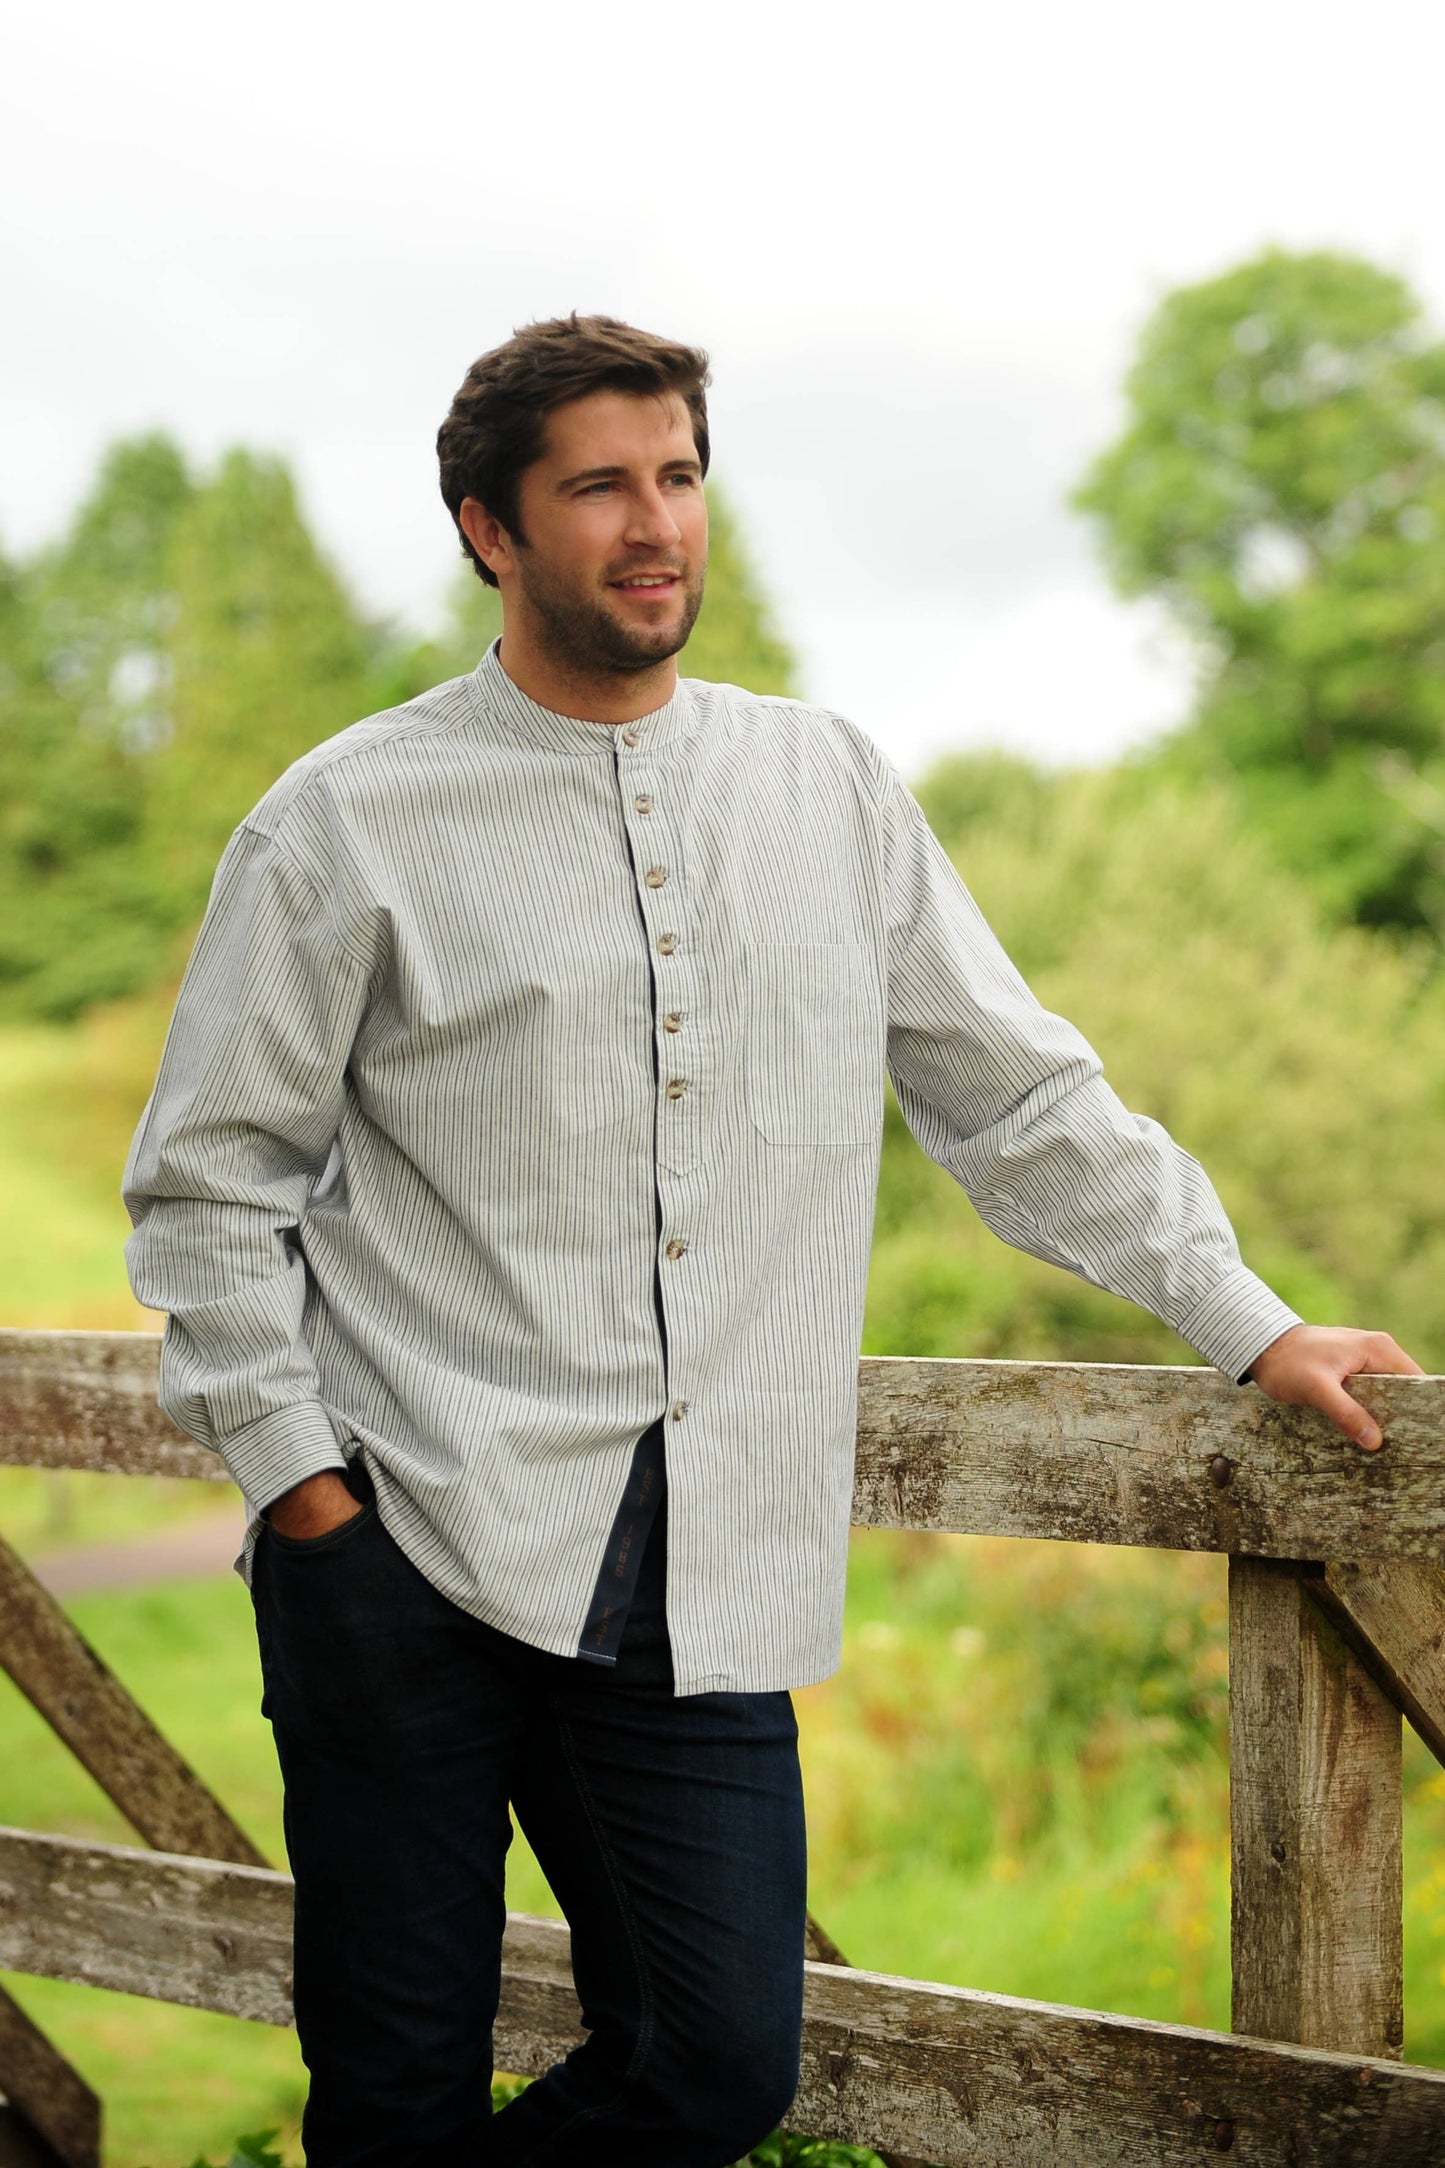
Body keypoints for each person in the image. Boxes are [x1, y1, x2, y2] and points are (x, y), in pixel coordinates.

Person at [122, 314, 1422, 2168]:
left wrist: (1246, 1319)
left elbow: (1018, 1103)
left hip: (709, 1568)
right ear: (490, 529)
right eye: (598, 488)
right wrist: (304, 1496)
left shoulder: (827, 788)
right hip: (402, 1545)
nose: (654, 527)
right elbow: (208, 1185)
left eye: (676, 479)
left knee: (721, 2060)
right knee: (392, 2083)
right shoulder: (341, 821)